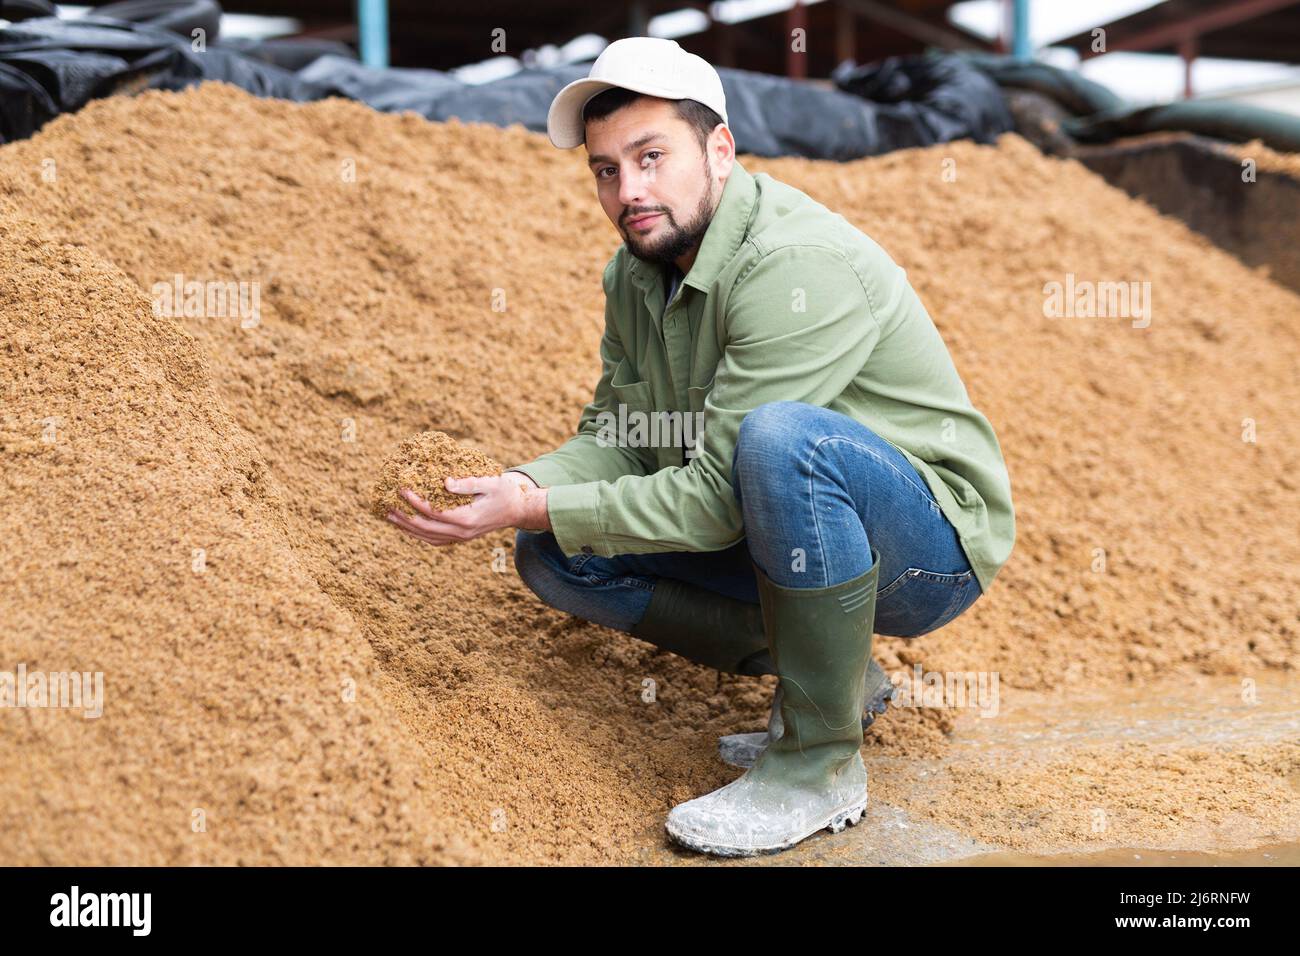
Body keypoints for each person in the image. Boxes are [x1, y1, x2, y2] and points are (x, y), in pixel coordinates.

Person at [385, 36, 1015, 858]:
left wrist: (541, 500)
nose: (628, 191)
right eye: (606, 169)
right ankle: (835, 681)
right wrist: (517, 488)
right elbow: (620, 435)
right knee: (556, 552)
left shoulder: (794, 265)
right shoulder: (636, 273)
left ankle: (818, 766)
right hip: (785, 520)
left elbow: (717, 497)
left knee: (783, 439)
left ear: (720, 149)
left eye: (652, 157)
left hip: (928, 547)